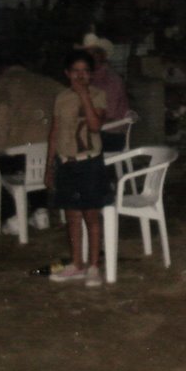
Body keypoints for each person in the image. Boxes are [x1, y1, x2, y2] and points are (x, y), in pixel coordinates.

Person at [46, 50, 111, 288]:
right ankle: (76, 263)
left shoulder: (98, 95)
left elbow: (95, 127)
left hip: (89, 163)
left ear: (91, 74)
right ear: (67, 74)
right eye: (76, 71)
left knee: (91, 216)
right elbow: (54, 132)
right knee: (72, 216)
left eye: (85, 71)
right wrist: (49, 166)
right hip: (66, 162)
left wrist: (84, 96)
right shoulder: (61, 97)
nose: (81, 75)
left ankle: (94, 266)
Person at [0, 58, 64, 235]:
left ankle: (12, 217)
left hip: (19, 147)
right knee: (37, 171)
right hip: (47, 145)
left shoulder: (2, 82)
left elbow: (1, 111)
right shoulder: (44, 81)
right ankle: (40, 211)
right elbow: (68, 96)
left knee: (4, 166)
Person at [77, 32, 130, 152]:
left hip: (111, 133)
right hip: (94, 130)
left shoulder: (111, 80)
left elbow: (107, 116)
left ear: (101, 56)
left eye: (93, 54)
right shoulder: (85, 78)